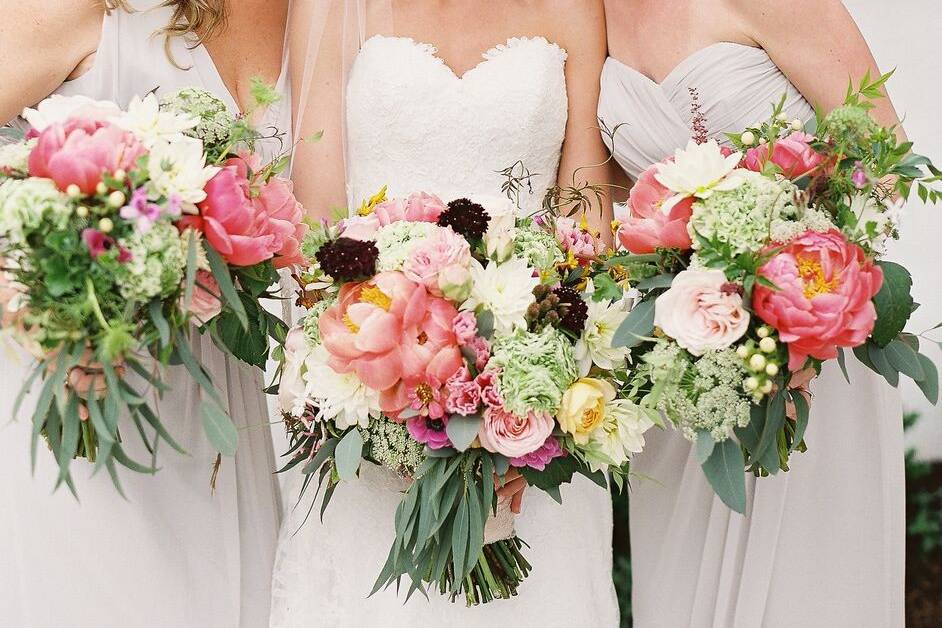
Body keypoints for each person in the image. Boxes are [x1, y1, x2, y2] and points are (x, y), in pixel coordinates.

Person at [268, 1, 619, 626]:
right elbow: (317, 226)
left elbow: (587, 214)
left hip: (534, 386)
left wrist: (531, 406)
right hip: (371, 381)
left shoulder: (575, 8)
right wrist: (391, 405)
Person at [598, 1, 905, 626]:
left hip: (808, 358)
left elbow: (884, 156)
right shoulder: (591, 13)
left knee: (809, 592)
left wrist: (799, 305)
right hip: (683, 369)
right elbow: (608, 210)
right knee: (680, 598)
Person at [0, 1, 288, 625]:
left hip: (233, 419)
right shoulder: (93, 10)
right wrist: (19, 301)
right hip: (88, 401)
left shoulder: (329, 17)